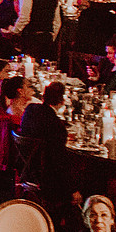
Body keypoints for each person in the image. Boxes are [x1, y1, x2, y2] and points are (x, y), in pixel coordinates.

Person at [19, 80, 71, 209]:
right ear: (62, 102)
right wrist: (72, 188)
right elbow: (58, 160)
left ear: (43, 97)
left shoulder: (30, 109)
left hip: (24, 165)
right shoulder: (57, 126)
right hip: (44, 174)